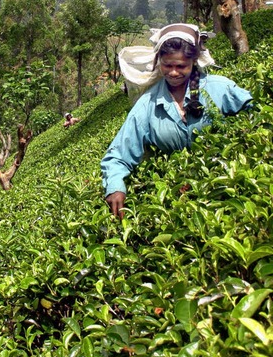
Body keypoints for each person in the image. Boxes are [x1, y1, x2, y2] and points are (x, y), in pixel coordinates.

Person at [101, 23, 252, 219]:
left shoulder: (219, 89)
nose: (173, 72)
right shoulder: (148, 104)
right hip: (179, 204)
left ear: (194, 61)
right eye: (167, 65)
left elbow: (256, 113)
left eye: (181, 66)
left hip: (229, 192)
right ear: (158, 61)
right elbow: (118, 154)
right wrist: (115, 186)